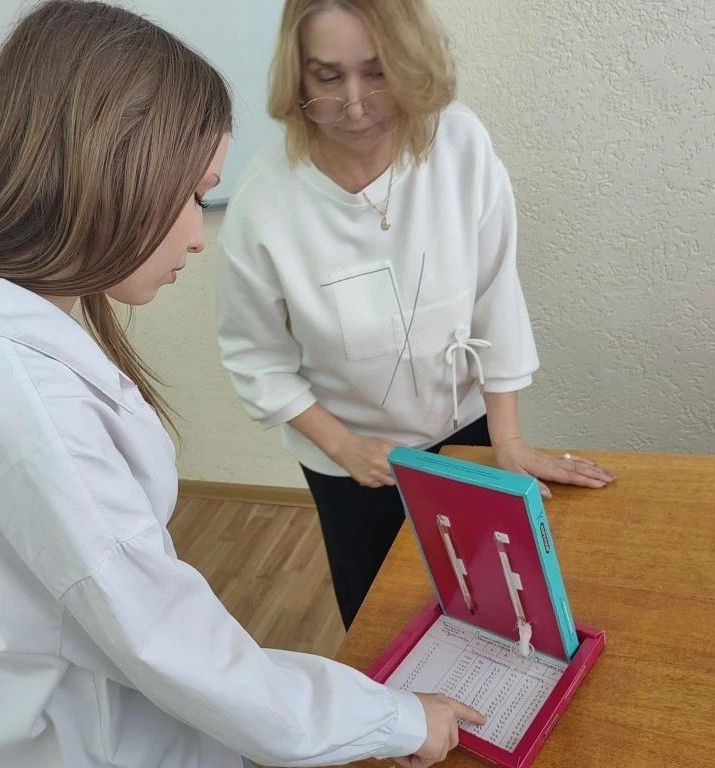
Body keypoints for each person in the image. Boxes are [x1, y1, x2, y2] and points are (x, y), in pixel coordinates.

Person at [0, 2, 484, 767]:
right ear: (112, 167)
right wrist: (395, 720)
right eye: (191, 195)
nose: (195, 234)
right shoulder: (28, 402)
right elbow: (174, 648)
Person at [217, 0, 615, 631]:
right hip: (350, 461)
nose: (354, 105)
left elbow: (495, 295)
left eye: (377, 73)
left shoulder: (458, 145)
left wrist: (508, 439)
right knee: (382, 620)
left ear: (411, 61)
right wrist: (345, 447)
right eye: (328, 77)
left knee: (493, 602)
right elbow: (256, 359)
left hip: (465, 431)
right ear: (296, 73)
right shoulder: (266, 200)